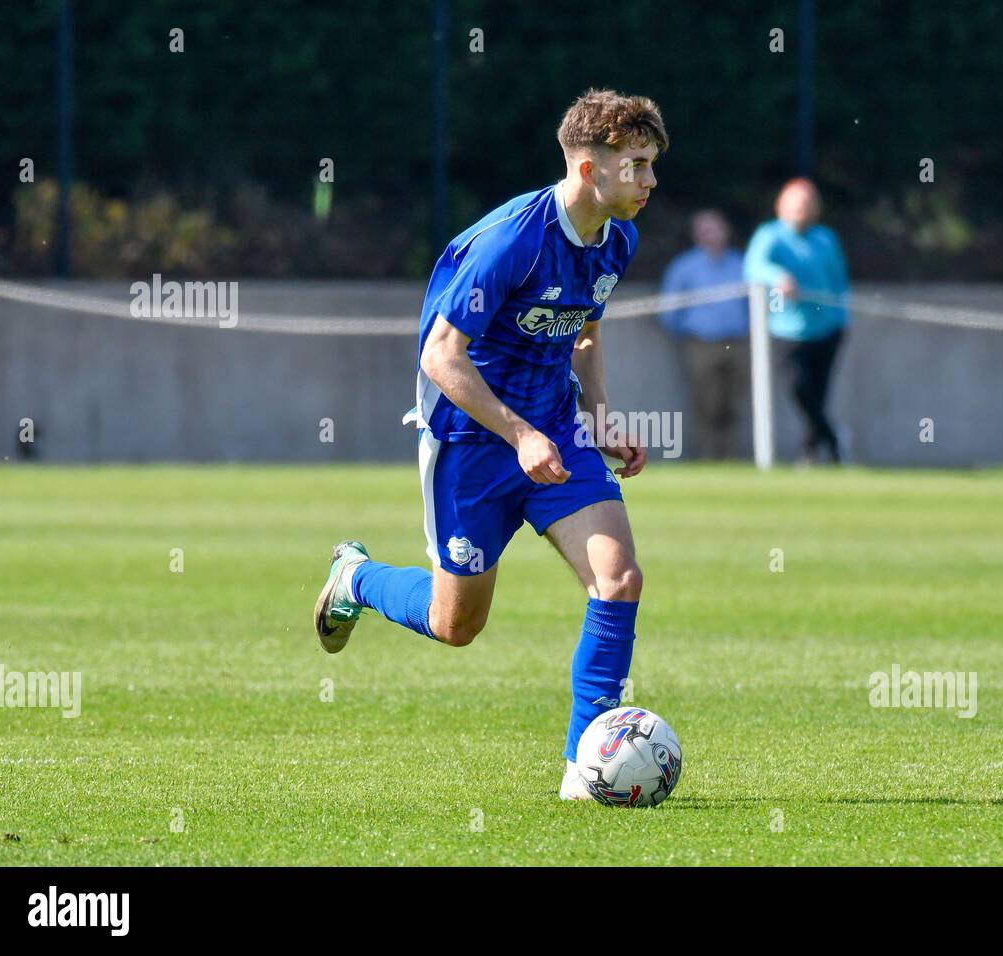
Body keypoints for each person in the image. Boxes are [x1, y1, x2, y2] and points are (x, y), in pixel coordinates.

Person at [312, 89, 667, 799]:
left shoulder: (616, 236)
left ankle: (583, 770)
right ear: (590, 169)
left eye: (654, 165)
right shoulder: (509, 240)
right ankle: (356, 579)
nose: (651, 182)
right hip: (471, 442)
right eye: (637, 165)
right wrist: (518, 432)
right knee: (455, 624)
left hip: (555, 434)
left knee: (619, 578)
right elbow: (441, 356)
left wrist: (597, 417)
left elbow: (586, 330)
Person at [743, 178, 850, 464]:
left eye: (809, 204)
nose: (803, 210)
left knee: (819, 394)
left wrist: (842, 318)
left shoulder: (825, 238)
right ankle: (832, 438)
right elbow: (754, 266)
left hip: (827, 329)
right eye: (798, 204)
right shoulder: (770, 235)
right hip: (787, 330)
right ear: (782, 206)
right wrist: (778, 277)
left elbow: (839, 280)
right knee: (800, 389)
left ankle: (812, 452)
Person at [658, 210, 749, 459]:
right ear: (696, 235)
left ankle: (731, 460)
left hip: (737, 344)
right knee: (707, 405)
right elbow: (669, 310)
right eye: (705, 230)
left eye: (715, 229)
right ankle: (708, 458)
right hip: (701, 345)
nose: (711, 235)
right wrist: (686, 336)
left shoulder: (741, 264)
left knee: (732, 406)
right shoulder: (684, 267)